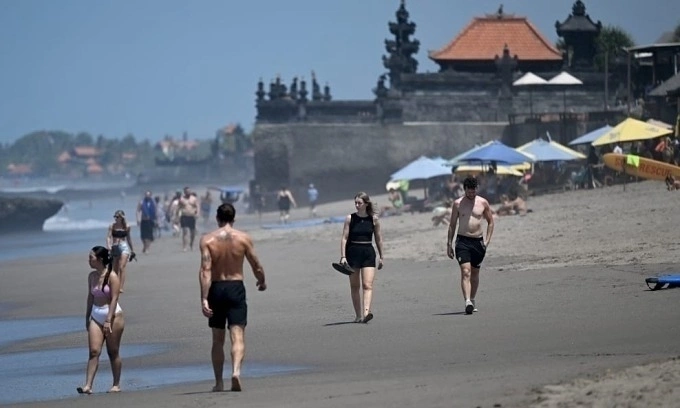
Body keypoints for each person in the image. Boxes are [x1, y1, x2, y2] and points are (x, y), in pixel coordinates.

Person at [199, 203, 266, 392]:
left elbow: (205, 270)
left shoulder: (207, 240)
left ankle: (219, 383)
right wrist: (261, 280)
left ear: (217, 218)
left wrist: (204, 298)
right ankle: (236, 372)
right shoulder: (243, 238)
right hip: (235, 287)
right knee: (237, 335)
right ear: (234, 218)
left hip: (216, 288)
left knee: (217, 339)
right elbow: (256, 264)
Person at [77, 246, 124, 394]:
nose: (89, 260)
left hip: (113, 315)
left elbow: (115, 299)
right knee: (94, 351)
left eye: (91, 257)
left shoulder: (112, 276)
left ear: (100, 259)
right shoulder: (92, 276)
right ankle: (88, 385)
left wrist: (108, 319)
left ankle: (116, 384)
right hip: (96, 314)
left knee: (112, 351)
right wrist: (87, 316)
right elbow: (90, 297)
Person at [446, 176, 494, 315]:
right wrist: (449, 244)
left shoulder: (483, 202)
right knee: (465, 271)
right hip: (462, 241)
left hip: (478, 242)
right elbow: (452, 225)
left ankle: (472, 299)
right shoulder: (457, 204)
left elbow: (491, 222)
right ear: (465, 189)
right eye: (469, 191)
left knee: (475, 273)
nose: (472, 194)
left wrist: (487, 241)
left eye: (474, 191)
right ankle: (467, 301)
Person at [339, 192, 384, 323]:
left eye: (359, 203)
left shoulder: (374, 219)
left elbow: (379, 239)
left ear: (366, 204)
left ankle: (366, 313)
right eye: (356, 203)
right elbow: (344, 238)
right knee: (355, 286)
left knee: (367, 285)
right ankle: (358, 315)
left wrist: (382, 256)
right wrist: (343, 256)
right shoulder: (350, 218)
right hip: (353, 253)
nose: (357, 205)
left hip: (368, 253)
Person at [106, 210, 135, 293]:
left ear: (122, 217)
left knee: (122, 267)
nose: (116, 218)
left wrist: (132, 250)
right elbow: (108, 237)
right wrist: (108, 246)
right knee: (115, 268)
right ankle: (115, 285)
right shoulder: (112, 226)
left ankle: (121, 287)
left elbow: (128, 238)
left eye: (117, 217)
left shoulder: (127, 226)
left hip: (124, 246)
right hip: (114, 247)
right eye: (115, 216)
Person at [179, 186, 200, 251]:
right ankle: (184, 246)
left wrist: (197, 213)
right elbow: (179, 207)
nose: (188, 192)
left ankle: (191, 244)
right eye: (186, 191)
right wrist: (177, 216)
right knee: (185, 231)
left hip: (191, 216)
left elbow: (197, 206)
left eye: (189, 191)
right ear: (184, 192)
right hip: (184, 216)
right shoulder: (181, 199)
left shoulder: (194, 198)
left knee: (192, 232)